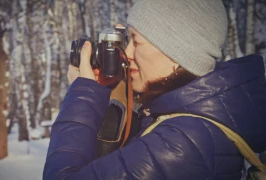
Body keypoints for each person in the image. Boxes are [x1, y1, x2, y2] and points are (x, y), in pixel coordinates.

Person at [43, 0, 266, 179]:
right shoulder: (183, 119)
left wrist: (83, 94)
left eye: (137, 42)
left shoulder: (182, 144)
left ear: (177, 55)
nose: (127, 53)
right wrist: (109, 89)